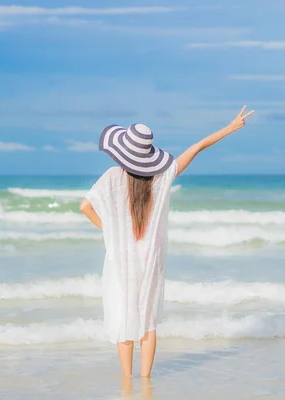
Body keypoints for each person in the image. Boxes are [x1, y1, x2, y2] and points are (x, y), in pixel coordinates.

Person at [79, 106, 255, 378]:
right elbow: (196, 148)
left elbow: (85, 207)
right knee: (148, 321)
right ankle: (146, 380)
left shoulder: (112, 177)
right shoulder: (162, 177)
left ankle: (128, 383)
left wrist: (111, 233)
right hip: (150, 258)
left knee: (124, 316)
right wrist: (229, 128)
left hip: (121, 257)